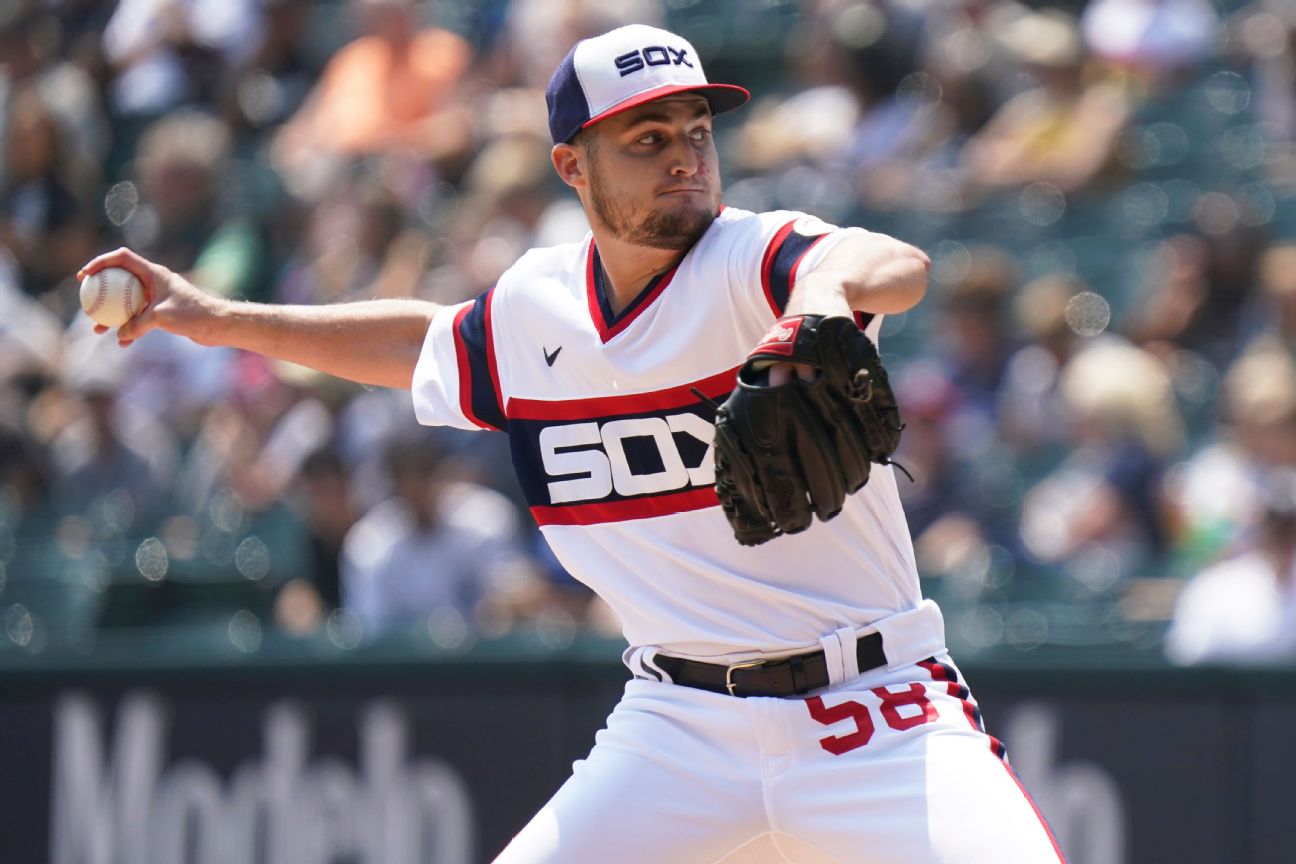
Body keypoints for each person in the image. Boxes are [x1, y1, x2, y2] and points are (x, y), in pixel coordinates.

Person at [79, 24, 1065, 863]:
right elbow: (414, 341)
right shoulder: (534, 310)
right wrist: (213, 316)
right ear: (572, 165)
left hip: (876, 708)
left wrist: (816, 298)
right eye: (645, 138)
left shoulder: (753, 259)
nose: (684, 155)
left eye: (696, 131)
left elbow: (889, 263)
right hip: (681, 724)